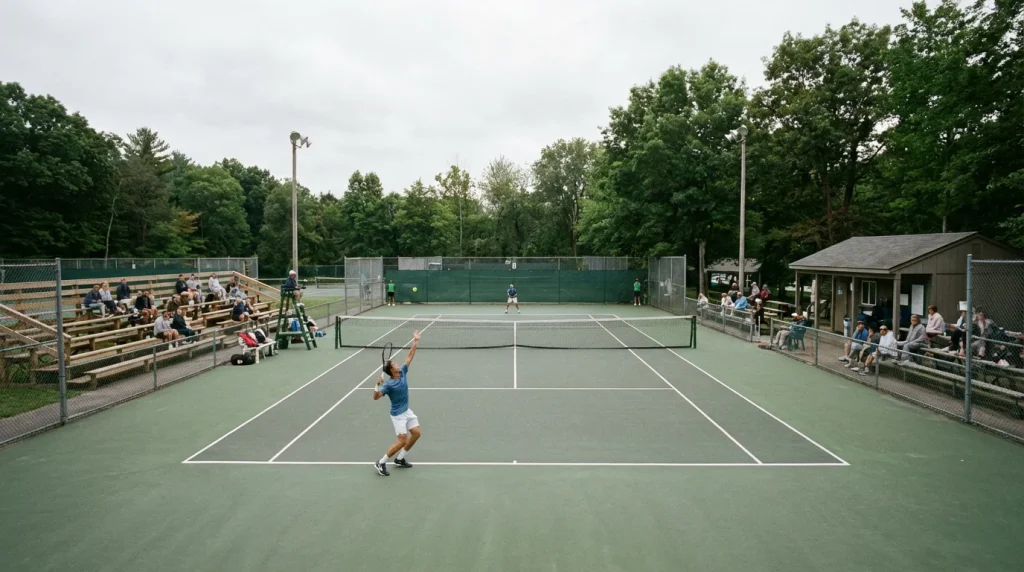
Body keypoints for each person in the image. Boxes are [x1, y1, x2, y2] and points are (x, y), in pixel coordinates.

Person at [373, 330, 423, 476]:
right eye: (394, 364)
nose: (397, 364)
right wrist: (377, 385)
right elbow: (376, 397)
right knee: (402, 441)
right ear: (391, 370)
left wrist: (415, 341)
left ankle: (400, 459)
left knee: (416, 433)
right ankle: (381, 462)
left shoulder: (402, 372)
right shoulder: (388, 385)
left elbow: (409, 357)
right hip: (398, 415)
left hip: (407, 411)